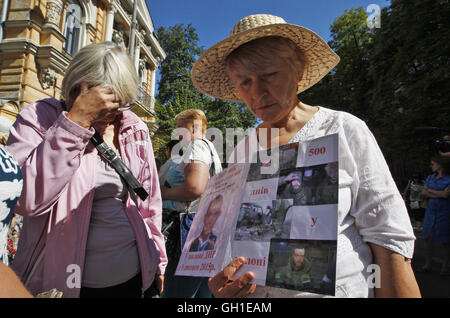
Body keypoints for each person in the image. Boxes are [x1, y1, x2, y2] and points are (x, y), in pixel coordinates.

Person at [191, 14, 420, 297]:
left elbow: (388, 238)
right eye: (244, 82)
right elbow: (233, 236)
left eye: (269, 75)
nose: (257, 92)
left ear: (298, 70)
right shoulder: (243, 149)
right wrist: (224, 286)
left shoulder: (343, 129)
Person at [5, 42, 166, 298]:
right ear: (78, 89)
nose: (111, 116)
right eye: (105, 106)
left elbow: (149, 201)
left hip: (134, 280)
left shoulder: (134, 127)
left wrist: (158, 258)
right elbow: (26, 200)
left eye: (120, 105)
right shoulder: (38, 117)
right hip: (60, 284)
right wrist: (75, 122)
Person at [160, 109, 222, 298]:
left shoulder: (196, 146)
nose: (177, 133)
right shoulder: (209, 148)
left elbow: (195, 188)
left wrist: (162, 193)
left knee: (176, 292)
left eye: (181, 128)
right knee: (201, 292)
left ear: (195, 127)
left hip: (184, 234)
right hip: (201, 230)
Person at [417, 155, 450, 275]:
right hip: (430, 212)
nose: (431, 166)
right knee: (427, 237)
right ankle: (427, 264)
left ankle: (445, 266)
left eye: (433, 164)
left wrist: (431, 192)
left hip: (444, 212)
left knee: (445, 240)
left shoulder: (448, 179)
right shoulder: (430, 177)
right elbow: (423, 193)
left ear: (440, 165)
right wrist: (440, 193)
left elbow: (446, 195)